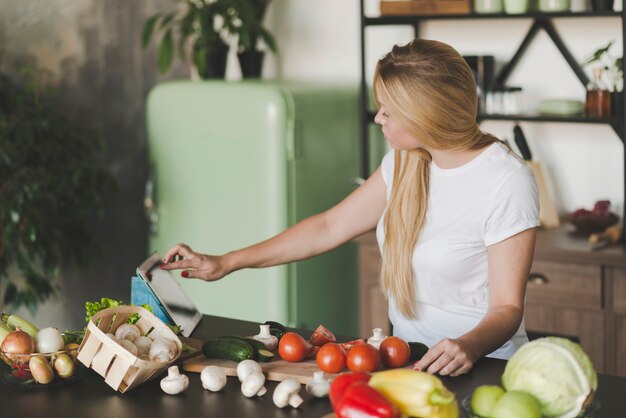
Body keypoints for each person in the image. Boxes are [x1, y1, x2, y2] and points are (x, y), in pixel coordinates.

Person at [160, 39, 540, 377]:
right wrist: (226, 262)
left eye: (388, 111)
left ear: (427, 115)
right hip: (407, 363)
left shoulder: (506, 181)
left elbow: (507, 308)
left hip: (485, 368)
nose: (378, 119)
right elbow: (328, 226)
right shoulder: (405, 163)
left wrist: (469, 345)